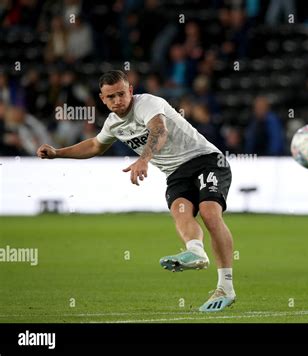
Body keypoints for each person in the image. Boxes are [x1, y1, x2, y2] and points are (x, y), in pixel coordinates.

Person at [36, 70, 236, 312]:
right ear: (102, 99)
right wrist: (58, 153)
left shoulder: (147, 104)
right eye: (111, 97)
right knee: (181, 212)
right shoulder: (112, 124)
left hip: (206, 160)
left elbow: (159, 131)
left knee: (209, 212)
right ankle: (195, 252)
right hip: (176, 174)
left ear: (130, 90)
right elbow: (94, 145)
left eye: (122, 93)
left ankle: (225, 286)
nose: (118, 100)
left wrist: (144, 159)